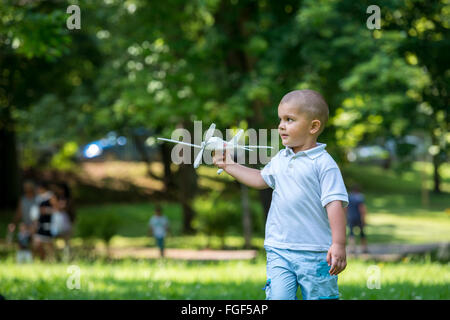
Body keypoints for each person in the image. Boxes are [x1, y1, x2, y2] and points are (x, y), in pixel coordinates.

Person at [213, 90, 348, 300]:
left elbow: (335, 204)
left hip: (315, 252)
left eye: (290, 119)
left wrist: (338, 244)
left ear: (313, 127)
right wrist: (229, 165)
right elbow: (260, 179)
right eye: (281, 119)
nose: (281, 125)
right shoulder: (280, 158)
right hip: (279, 249)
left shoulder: (323, 164)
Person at [32, 181, 57, 261]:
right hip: (40, 223)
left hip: (48, 224)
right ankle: (42, 259)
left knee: (48, 244)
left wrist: (46, 210)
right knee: (37, 243)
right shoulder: (38, 198)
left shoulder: (50, 197)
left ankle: (52, 259)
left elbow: (56, 210)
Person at [346, 185, 368, 254]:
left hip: (351, 217)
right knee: (362, 233)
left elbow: (346, 208)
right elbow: (362, 208)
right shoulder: (360, 197)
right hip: (358, 217)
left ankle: (352, 249)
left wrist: (346, 216)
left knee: (351, 233)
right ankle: (364, 248)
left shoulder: (349, 197)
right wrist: (364, 218)